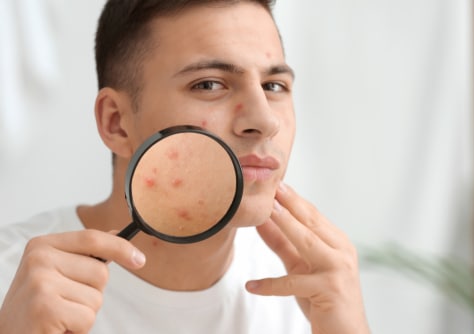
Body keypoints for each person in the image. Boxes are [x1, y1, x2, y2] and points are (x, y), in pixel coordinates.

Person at [0, 0, 370, 333]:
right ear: (116, 122)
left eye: (273, 86)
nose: (264, 120)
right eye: (209, 84)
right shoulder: (12, 284)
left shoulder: (311, 297)